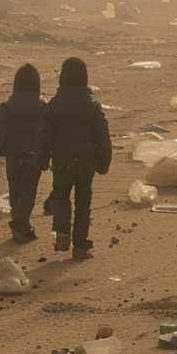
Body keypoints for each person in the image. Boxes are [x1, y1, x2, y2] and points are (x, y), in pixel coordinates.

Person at [37, 57, 111, 259]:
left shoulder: (53, 105)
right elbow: (103, 137)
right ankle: (80, 246)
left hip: (62, 161)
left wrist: (42, 158)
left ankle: (62, 234)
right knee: (83, 202)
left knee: (60, 198)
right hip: (86, 162)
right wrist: (104, 162)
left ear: (62, 77)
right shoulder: (92, 106)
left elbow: (45, 135)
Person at [0, 63, 47, 243]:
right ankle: (21, 223)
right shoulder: (43, 108)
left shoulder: (6, 108)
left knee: (15, 190)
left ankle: (18, 223)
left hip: (13, 155)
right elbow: (49, 132)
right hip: (33, 156)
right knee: (29, 191)